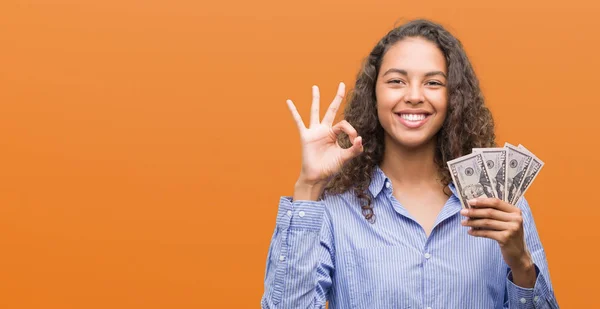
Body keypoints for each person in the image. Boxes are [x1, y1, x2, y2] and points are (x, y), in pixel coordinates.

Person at [261, 19, 559, 309]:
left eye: (432, 82)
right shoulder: (334, 209)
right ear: (374, 94)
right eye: (396, 81)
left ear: (453, 97)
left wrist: (520, 263)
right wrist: (309, 184)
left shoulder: (502, 207)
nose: (414, 96)